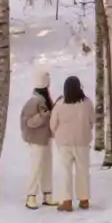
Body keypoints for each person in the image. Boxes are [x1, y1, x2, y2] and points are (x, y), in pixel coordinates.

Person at [51, 75, 95, 211]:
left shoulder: (60, 104)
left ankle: (67, 200)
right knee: (83, 170)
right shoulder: (87, 103)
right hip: (82, 141)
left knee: (66, 172)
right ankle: (84, 199)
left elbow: (53, 124)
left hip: (64, 143)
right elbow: (92, 120)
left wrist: (57, 134)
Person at [19, 70, 54, 209]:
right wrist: (43, 116)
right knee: (36, 168)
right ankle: (30, 196)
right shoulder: (33, 102)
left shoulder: (45, 100)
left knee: (47, 167)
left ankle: (48, 194)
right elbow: (29, 122)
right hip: (36, 140)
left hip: (46, 139)